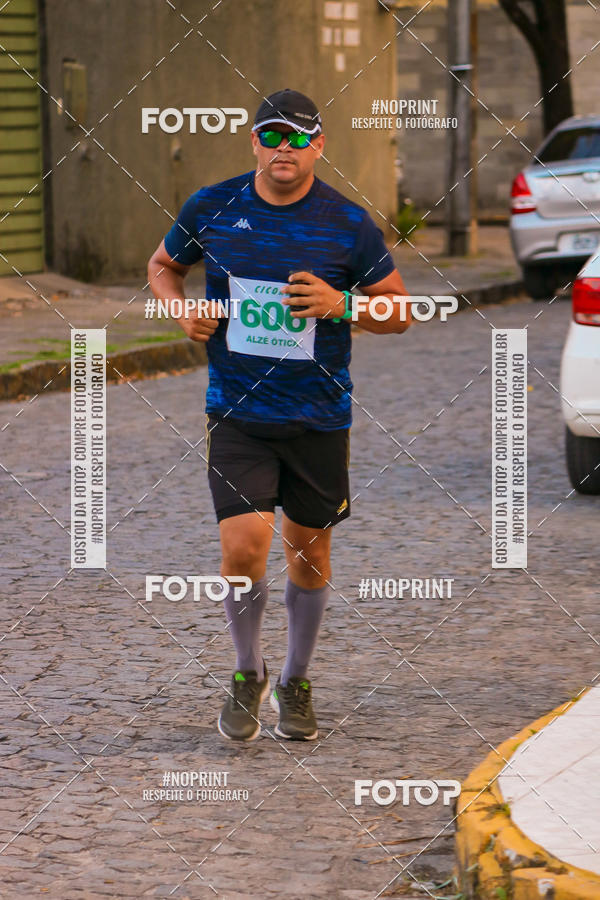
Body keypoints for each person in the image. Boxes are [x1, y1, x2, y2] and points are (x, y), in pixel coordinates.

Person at [147, 88, 410, 743]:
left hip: (319, 417)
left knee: (308, 555)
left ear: (318, 145)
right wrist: (183, 313)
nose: (283, 149)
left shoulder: (348, 224)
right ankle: (246, 672)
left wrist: (341, 305)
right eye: (272, 136)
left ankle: (295, 679)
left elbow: (400, 311)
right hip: (237, 412)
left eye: (298, 138)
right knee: (243, 548)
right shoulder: (212, 206)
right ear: (254, 142)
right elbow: (162, 267)